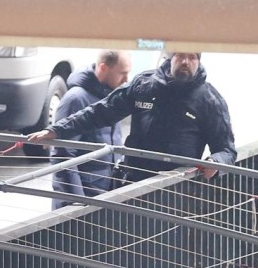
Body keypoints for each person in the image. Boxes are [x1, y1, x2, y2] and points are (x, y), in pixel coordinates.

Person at [30, 50, 236, 183]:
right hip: (132, 183)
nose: (185, 62)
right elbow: (100, 111)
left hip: (176, 189)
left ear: (198, 62)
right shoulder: (144, 85)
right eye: (180, 56)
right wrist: (57, 129)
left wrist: (215, 162)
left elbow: (226, 150)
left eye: (192, 57)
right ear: (169, 57)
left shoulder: (210, 100)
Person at [50, 50, 132, 208]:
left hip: (104, 196)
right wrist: (77, 204)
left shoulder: (112, 98)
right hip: (83, 201)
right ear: (103, 68)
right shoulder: (76, 99)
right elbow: (63, 155)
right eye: (122, 73)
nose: (126, 79)